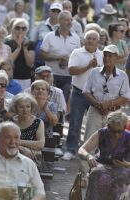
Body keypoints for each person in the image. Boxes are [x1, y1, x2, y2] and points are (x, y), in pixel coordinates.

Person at [81, 44, 130, 185]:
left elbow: (126, 96)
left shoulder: (122, 75)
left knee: (113, 142)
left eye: (110, 55)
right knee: (89, 141)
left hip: (114, 114)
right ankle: (84, 175)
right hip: (95, 110)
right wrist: (98, 105)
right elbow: (86, 91)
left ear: (116, 58)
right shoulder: (94, 72)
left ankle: (112, 174)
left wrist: (107, 105)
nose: (107, 58)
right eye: (105, 55)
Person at [63, 30, 103, 161]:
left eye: (93, 39)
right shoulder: (77, 53)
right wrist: (88, 66)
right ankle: (70, 150)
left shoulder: (102, 55)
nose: (91, 41)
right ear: (84, 40)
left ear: (98, 41)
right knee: (75, 122)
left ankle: (93, 152)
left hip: (95, 95)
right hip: (79, 92)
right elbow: (71, 70)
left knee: (96, 124)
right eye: (89, 38)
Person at [78, 111, 130, 200]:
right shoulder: (102, 133)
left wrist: (127, 164)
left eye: (119, 131)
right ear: (108, 126)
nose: (116, 134)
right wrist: (88, 156)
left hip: (122, 167)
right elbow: (82, 149)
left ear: (125, 127)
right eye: (113, 131)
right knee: (97, 173)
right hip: (101, 165)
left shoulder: (128, 136)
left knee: (122, 175)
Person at [39, 10, 81, 103]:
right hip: (52, 75)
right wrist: (58, 58)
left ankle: (61, 118)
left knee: (63, 103)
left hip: (69, 76)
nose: (69, 22)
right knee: (51, 102)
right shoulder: (49, 36)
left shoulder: (76, 37)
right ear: (60, 21)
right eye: (66, 20)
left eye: (71, 20)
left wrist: (69, 60)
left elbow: (79, 57)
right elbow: (41, 54)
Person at [9, 93, 45, 160]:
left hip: (33, 157)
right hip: (13, 156)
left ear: (31, 108)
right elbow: (6, 142)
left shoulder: (38, 122)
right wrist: (21, 148)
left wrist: (18, 142)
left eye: (28, 106)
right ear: (15, 108)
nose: (25, 110)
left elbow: (40, 144)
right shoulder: (11, 122)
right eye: (21, 107)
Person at [5, 18, 35, 90]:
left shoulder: (30, 44)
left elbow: (30, 63)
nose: (20, 30)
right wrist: (18, 48)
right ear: (13, 29)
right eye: (18, 28)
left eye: (23, 28)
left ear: (26, 30)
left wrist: (24, 48)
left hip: (25, 78)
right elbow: (8, 62)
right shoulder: (7, 43)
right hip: (10, 78)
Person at [31, 2, 61, 67]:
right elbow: (33, 41)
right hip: (39, 61)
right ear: (49, 12)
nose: (55, 12)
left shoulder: (62, 27)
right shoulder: (41, 25)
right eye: (53, 10)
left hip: (55, 62)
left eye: (58, 11)